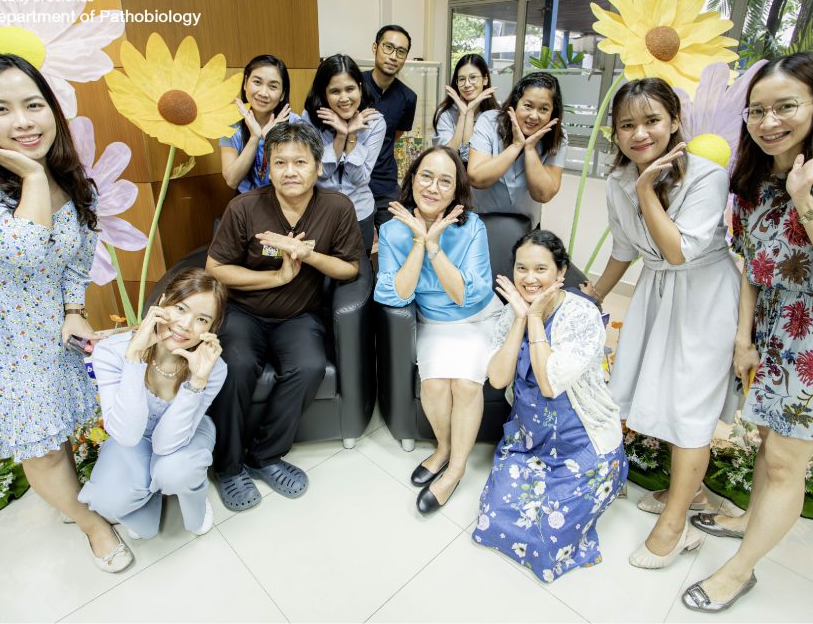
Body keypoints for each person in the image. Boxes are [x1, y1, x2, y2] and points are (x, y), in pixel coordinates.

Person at [682, 52, 813, 612]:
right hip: (771, 327)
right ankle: (750, 518)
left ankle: (739, 571)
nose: (768, 122)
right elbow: (751, 267)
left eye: (785, 107)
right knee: (767, 444)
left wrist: (804, 198)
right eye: (757, 111)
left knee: (784, 460)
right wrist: (743, 338)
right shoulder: (752, 179)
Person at [0, 53, 129, 572]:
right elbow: (25, 249)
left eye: (33, 105)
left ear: (51, 110)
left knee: (56, 432)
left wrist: (74, 308)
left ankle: (70, 501)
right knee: (42, 448)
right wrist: (33, 179)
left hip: (47, 330)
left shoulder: (69, 177)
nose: (23, 121)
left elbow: (77, 255)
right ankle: (92, 525)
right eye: (1, 109)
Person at [580, 77, 739, 569]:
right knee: (659, 395)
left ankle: (675, 526)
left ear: (674, 121)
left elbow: (678, 250)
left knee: (690, 408)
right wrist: (594, 296)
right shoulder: (618, 179)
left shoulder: (707, 175)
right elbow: (624, 248)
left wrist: (647, 188)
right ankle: (689, 493)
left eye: (651, 120)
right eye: (627, 125)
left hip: (702, 295)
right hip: (655, 293)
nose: (639, 133)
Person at [205, 122, 366, 512]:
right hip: (244, 312)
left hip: (299, 314)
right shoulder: (244, 207)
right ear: (268, 168)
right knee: (235, 365)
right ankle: (228, 466)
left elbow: (350, 269)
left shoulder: (337, 207)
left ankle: (264, 455)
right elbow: (215, 268)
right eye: (280, 162)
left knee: (309, 367)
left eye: (300, 162)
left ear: (318, 167)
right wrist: (275, 277)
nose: (290, 171)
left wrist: (309, 255)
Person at [473, 230, 627, 583]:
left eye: (541, 269)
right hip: (531, 443)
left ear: (561, 272)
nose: (529, 278)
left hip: (583, 446)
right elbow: (497, 378)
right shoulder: (511, 313)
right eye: (521, 268)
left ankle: (606, 480)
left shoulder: (582, 315)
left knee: (548, 539)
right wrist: (519, 319)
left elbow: (549, 383)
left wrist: (535, 318)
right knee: (493, 519)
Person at [374, 145, 501, 514]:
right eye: (426, 176)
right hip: (434, 321)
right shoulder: (392, 230)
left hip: (478, 318)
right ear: (412, 179)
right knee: (433, 384)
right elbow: (396, 294)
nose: (433, 187)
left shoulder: (471, 227)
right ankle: (443, 449)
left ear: (456, 190)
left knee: (465, 384)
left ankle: (455, 470)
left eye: (445, 181)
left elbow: (466, 295)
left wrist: (434, 247)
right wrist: (418, 240)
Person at [78, 269, 227, 540]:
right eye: (180, 308)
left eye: (202, 319)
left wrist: (197, 381)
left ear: (210, 329)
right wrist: (134, 356)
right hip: (131, 439)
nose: (186, 325)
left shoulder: (213, 367)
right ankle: (148, 493)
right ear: (162, 301)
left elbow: (166, 444)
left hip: (185, 435)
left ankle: (191, 496)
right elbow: (126, 435)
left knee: (175, 472)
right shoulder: (112, 351)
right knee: (106, 500)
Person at [303, 54, 386, 251]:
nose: (344, 98)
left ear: (360, 87)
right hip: (320, 213)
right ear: (324, 93)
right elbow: (319, 174)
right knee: (318, 266)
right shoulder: (309, 120)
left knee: (360, 267)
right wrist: (341, 135)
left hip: (360, 213)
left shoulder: (375, 122)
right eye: (335, 91)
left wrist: (352, 136)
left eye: (350, 89)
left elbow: (359, 178)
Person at [467, 72, 566, 229]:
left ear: (553, 112)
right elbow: (477, 179)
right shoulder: (489, 122)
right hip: (480, 223)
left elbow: (543, 194)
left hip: (526, 228)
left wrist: (530, 149)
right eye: (528, 106)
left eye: (544, 109)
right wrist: (516, 145)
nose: (534, 116)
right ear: (515, 103)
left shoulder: (557, 136)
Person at [364, 24, 418, 229]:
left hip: (385, 182)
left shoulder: (408, 97)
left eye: (401, 51)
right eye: (388, 47)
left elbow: (394, 136)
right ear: (375, 48)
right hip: (352, 183)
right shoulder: (354, 86)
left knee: (396, 238)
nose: (393, 56)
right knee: (356, 243)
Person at [220, 54, 299, 193]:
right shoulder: (231, 125)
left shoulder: (296, 124)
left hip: (286, 197)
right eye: (257, 82)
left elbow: (298, 175)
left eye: (273, 86)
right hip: (247, 200)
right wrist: (255, 137)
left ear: (282, 94)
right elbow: (232, 181)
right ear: (245, 83)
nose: (263, 93)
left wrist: (271, 138)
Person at [432, 53, 498, 163]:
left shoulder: (494, 116)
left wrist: (470, 113)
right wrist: (462, 116)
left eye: (473, 77)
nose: (467, 84)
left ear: (485, 79)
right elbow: (446, 156)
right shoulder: (446, 113)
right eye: (462, 79)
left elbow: (471, 160)